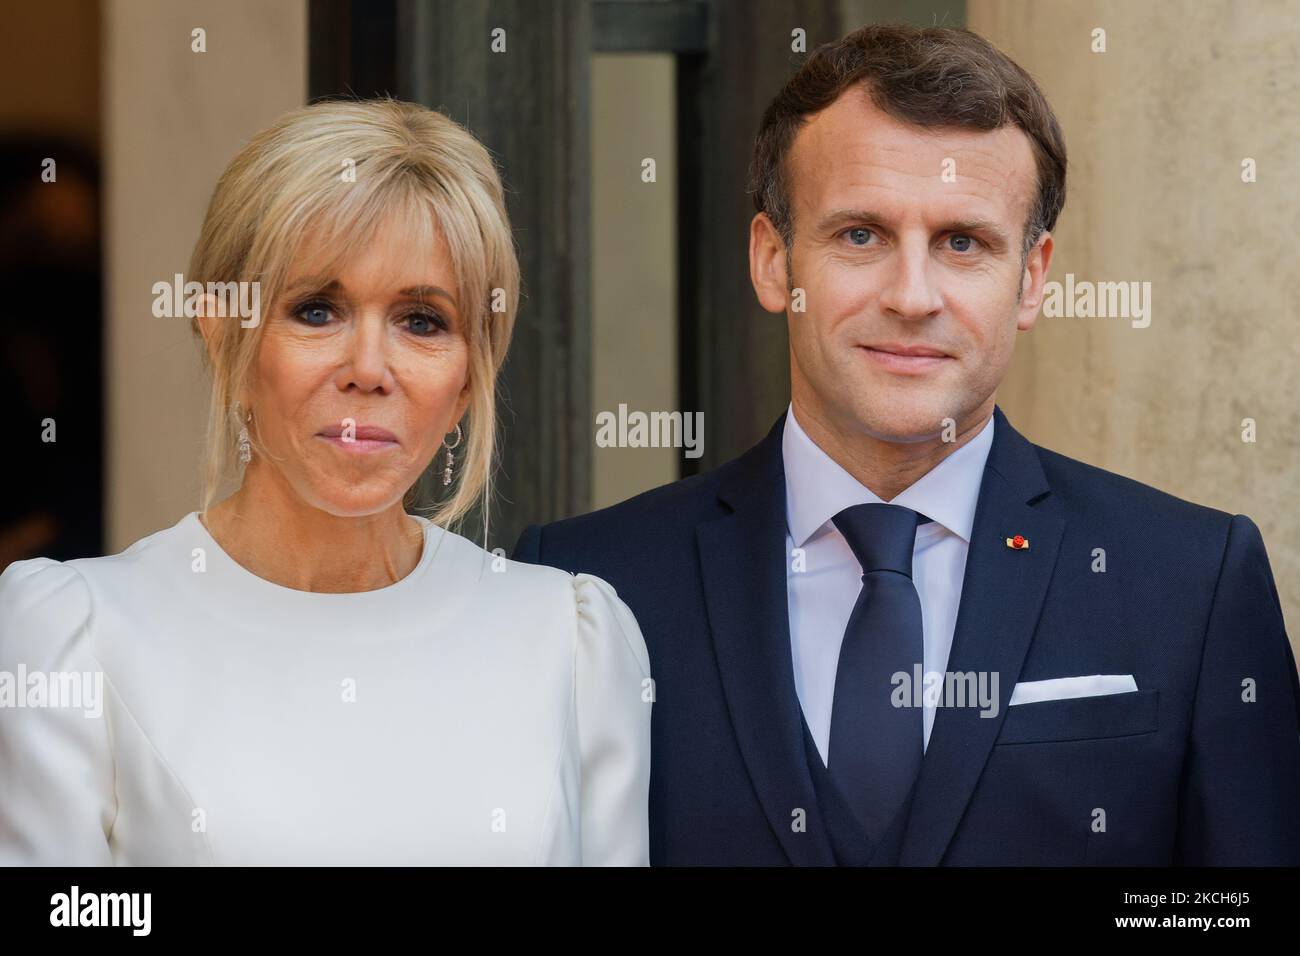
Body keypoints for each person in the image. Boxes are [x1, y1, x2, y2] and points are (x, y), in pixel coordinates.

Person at [513, 24, 1300, 865]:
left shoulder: (1192, 581)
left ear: (1031, 279)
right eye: (861, 235)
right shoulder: (585, 589)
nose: (913, 295)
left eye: (964, 243)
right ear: (774, 261)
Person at [0, 99, 651, 866]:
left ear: (472, 376)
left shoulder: (572, 645)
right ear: (224, 338)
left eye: (422, 321)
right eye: (317, 310)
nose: (369, 370)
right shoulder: (73, 636)